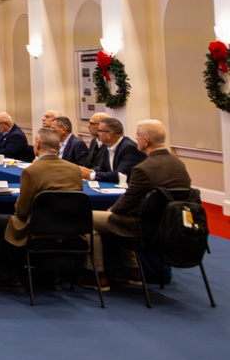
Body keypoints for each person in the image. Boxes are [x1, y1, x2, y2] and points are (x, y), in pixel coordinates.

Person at [81, 120, 193, 290]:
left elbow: (126, 203)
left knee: (86, 218)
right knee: (123, 216)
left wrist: (110, 211)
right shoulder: (179, 164)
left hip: (142, 228)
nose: (135, 139)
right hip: (170, 225)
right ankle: (132, 270)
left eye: (138, 136)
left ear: (146, 141)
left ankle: (96, 275)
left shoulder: (143, 169)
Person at [0, 128, 82, 293]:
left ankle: (10, 277)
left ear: (38, 144)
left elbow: (22, 210)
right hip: (69, 228)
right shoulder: (75, 169)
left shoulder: (32, 171)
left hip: (37, 227)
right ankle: (52, 276)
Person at [80, 116, 146, 184]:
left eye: (100, 131)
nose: (98, 133)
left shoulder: (129, 148)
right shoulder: (107, 145)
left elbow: (120, 174)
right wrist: (89, 171)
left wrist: (91, 175)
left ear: (110, 134)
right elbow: (102, 167)